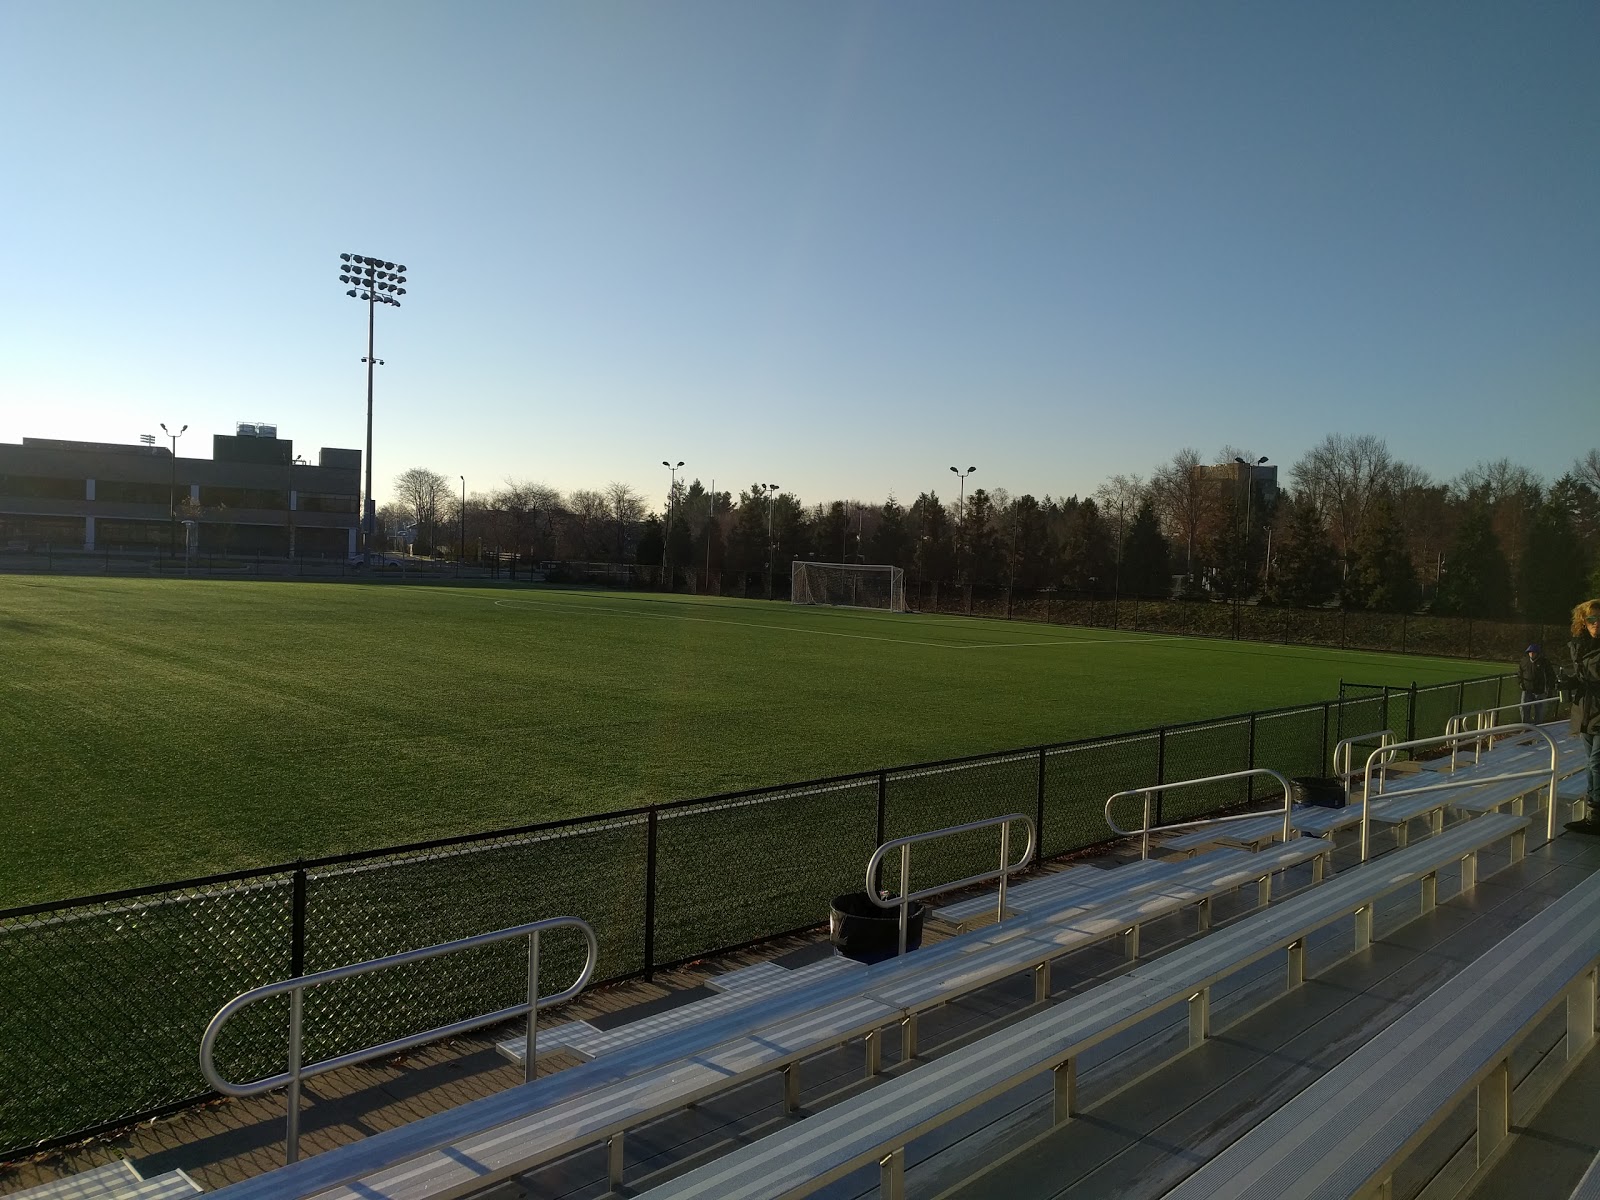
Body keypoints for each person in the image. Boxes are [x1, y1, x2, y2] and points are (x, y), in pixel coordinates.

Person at [1565, 599, 1600, 835]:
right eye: (1592, 620)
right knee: (1590, 764)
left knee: (1597, 764)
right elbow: (1583, 676)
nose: (1596, 624)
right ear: (1583, 622)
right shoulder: (1579, 646)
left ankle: (1596, 816)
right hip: (1585, 712)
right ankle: (1592, 814)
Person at [1517, 643, 1557, 724]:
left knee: (1539, 710)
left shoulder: (1544, 662)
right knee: (1523, 708)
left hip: (1540, 691)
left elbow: (1551, 675)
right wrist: (1521, 683)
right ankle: (1525, 726)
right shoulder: (1524, 661)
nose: (1531, 653)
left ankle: (1538, 727)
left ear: (1537, 653)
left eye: (1533, 652)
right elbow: (1519, 673)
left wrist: (1549, 688)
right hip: (1526, 690)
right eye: (1530, 652)